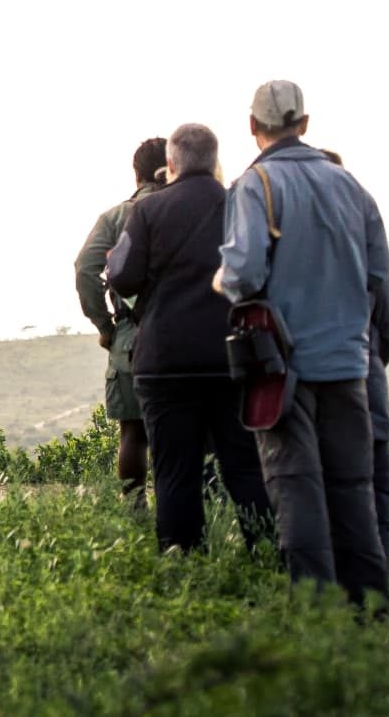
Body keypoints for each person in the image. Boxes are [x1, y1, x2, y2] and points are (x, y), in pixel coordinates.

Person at [215, 80, 389, 605]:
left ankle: (317, 619)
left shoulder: (256, 186)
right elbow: (378, 277)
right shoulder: (352, 186)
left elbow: (243, 275)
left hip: (282, 370)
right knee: (354, 494)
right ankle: (368, 611)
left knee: (298, 492)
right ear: (305, 123)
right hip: (347, 364)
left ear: (252, 127)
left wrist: (221, 280)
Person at [107, 124, 272, 552]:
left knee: (174, 471)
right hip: (230, 356)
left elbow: (122, 276)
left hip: (165, 359)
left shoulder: (147, 211)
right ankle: (268, 554)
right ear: (215, 160)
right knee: (244, 466)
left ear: (171, 164)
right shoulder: (240, 204)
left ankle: (183, 560)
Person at [318, 149, 389, 569]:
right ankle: (375, 584)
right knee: (374, 492)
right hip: (367, 378)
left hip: (317, 388)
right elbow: (386, 327)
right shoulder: (364, 230)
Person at [74, 137, 166, 504]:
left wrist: (106, 328)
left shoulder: (115, 218)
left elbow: (85, 270)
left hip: (129, 336)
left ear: (137, 172)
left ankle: (135, 509)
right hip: (185, 331)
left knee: (133, 433)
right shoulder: (187, 207)